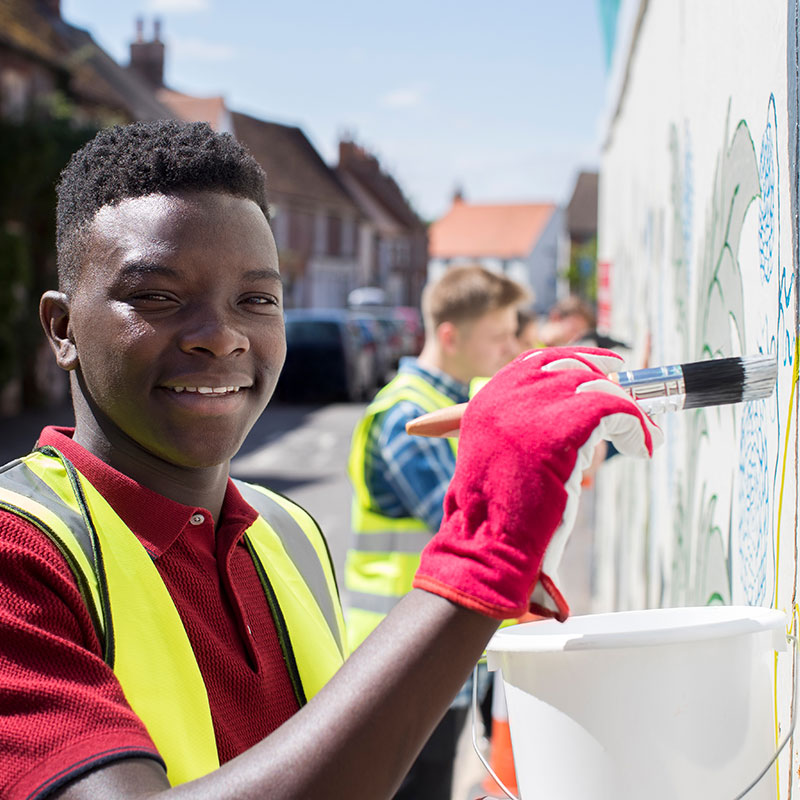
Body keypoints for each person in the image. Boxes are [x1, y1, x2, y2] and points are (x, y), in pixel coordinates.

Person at [0, 120, 661, 800]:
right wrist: (480, 561)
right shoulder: (18, 552)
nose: (221, 336)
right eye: (159, 297)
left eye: (257, 299)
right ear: (62, 328)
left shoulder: (286, 531)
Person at [344, 265, 529, 799]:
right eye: (500, 336)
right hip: (399, 662)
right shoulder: (409, 416)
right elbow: (477, 530)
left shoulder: (460, 406)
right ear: (449, 335)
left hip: (434, 659)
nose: (510, 347)